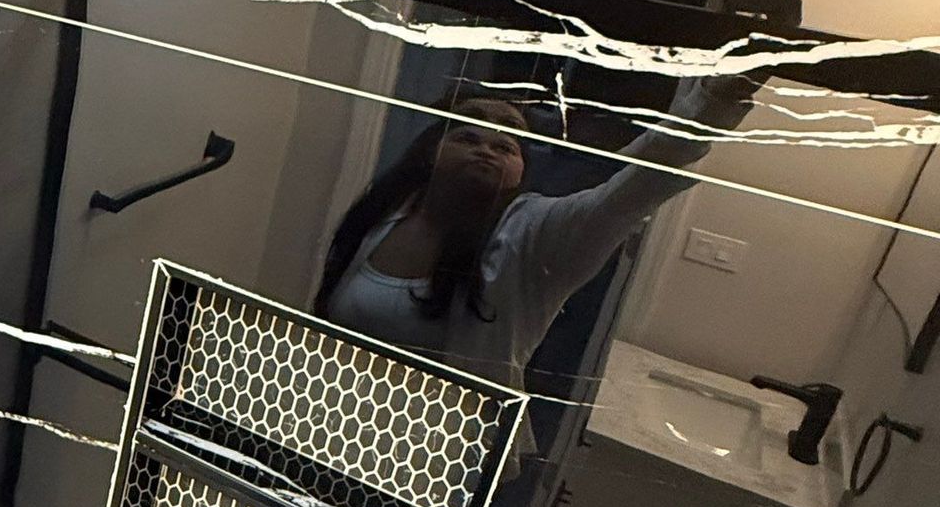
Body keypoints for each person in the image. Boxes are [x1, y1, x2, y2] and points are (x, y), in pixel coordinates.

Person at [313, 80, 753, 390]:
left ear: (521, 171)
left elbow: (637, 181)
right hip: (321, 420)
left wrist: (719, 96)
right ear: (431, 149)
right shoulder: (382, 214)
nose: (490, 141)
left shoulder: (533, 234)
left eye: (508, 143)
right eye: (471, 130)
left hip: (433, 470)